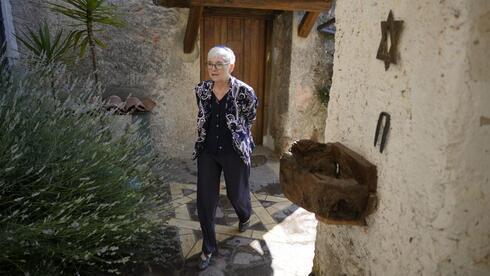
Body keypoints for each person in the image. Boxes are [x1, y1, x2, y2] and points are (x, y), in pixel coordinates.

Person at [192, 46, 258, 270]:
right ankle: (208, 247)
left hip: (234, 152)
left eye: (219, 64)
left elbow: (250, 118)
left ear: (231, 66)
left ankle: (244, 214)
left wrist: (240, 139)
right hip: (208, 151)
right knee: (205, 200)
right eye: (210, 64)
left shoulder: (245, 92)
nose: (213, 68)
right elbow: (203, 116)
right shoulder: (201, 89)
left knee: (236, 194)